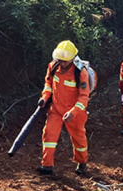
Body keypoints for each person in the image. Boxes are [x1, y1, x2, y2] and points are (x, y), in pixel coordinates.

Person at [38, 41, 89, 176]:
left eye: (65, 61)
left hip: (74, 112)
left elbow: (84, 97)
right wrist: (44, 97)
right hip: (55, 109)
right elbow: (48, 84)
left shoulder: (80, 73)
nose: (63, 63)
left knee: (78, 138)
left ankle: (82, 163)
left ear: (72, 59)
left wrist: (74, 112)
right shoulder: (53, 66)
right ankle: (47, 165)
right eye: (60, 60)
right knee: (49, 135)